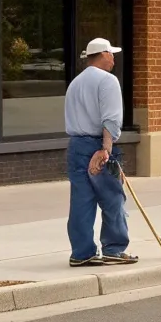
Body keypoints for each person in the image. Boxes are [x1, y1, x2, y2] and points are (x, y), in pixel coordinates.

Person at [64, 37, 135, 267]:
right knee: (112, 196)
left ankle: (81, 252)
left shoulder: (75, 83)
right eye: (111, 53)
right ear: (102, 54)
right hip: (98, 145)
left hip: (76, 146)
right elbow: (111, 119)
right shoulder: (108, 81)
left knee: (81, 200)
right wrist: (106, 149)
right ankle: (114, 248)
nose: (114, 58)